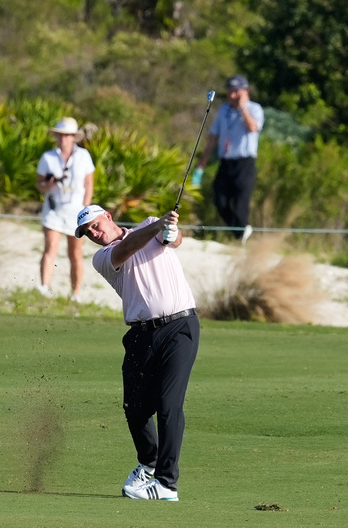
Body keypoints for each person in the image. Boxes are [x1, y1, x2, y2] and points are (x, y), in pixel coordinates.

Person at [75, 204, 200, 502]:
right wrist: (159, 227)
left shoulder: (152, 226)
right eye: (86, 232)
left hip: (180, 326)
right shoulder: (102, 257)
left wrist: (171, 231)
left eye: (94, 225)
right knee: (135, 407)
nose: (93, 233)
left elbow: (174, 240)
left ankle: (166, 484)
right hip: (140, 335)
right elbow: (129, 246)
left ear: (108, 216)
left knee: (169, 404)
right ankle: (149, 462)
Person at [196, 74, 264, 244]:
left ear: (244, 91)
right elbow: (213, 136)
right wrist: (203, 162)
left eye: (235, 92)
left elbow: (252, 128)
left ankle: (240, 236)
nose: (232, 96)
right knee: (220, 200)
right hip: (226, 161)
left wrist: (242, 108)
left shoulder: (254, 109)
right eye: (229, 92)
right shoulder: (224, 110)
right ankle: (240, 233)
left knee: (241, 203)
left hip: (245, 162)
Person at [36, 117, 95, 300]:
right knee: (50, 246)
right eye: (61, 135)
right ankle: (44, 287)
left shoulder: (83, 156)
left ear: (73, 137)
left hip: (76, 210)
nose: (64, 139)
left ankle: (75, 293)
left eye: (67, 135)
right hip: (54, 207)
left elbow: (89, 183)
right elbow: (39, 184)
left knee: (75, 253)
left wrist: (86, 209)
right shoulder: (48, 157)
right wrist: (49, 183)